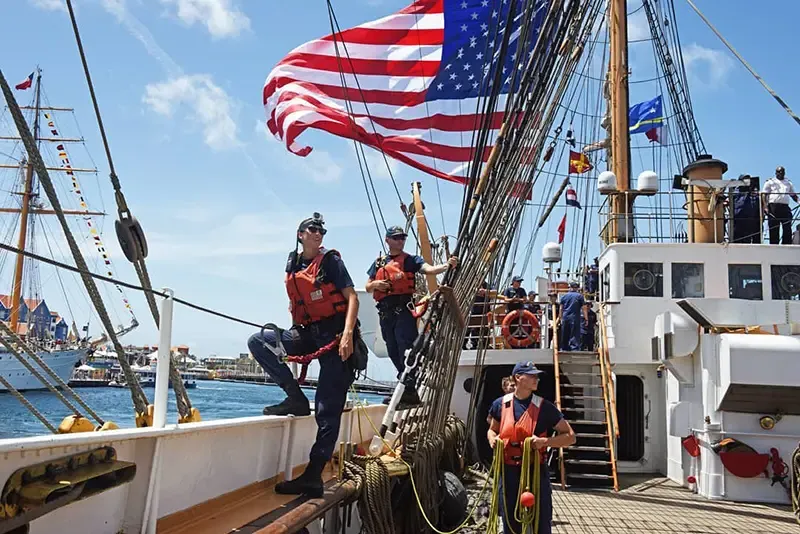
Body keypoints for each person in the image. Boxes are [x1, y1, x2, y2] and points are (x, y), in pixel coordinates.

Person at [247, 213, 360, 497]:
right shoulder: (294, 264)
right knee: (259, 341)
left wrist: (347, 335)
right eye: (313, 229)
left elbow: (352, 298)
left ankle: (312, 476)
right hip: (307, 333)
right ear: (301, 234)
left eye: (322, 229)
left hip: (336, 338)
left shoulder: (331, 261)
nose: (319, 233)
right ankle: (295, 398)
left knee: (326, 410)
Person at [365, 225, 457, 406]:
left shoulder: (410, 260)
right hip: (385, 313)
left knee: (405, 347)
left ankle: (407, 389)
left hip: (403, 311)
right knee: (392, 349)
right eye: (396, 238)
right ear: (388, 240)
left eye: (402, 238)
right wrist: (376, 284)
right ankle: (408, 390)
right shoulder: (378, 263)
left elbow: (428, 269)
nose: (400, 241)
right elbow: (368, 286)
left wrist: (446, 266)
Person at [487, 362, 576, 534]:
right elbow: (492, 430)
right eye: (531, 375)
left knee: (541, 521)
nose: (536, 379)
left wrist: (546, 442)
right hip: (508, 473)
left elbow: (570, 437)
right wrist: (493, 439)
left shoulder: (545, 408)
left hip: (535, 471)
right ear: (518, 378)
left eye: (537, 375)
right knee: (510, 521)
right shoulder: (500, 405)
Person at [762, 166, 798, 244]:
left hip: (784, 207)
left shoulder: (788, 183)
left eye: (782, 172)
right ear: (776, 173)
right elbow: (764, 194)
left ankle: (786, 244)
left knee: (787, 226)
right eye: (779, 172)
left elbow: (793, 195)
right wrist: (765, 207)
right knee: (774, 227)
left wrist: (798, 201)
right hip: (773, 207)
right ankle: (774, 245)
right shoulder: (770, 182)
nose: (781, 173)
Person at [559, 281, 587, 351]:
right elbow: (584, 308)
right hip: (574, 317)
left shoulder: (564, 296)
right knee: (575, 333)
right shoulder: (579, 296)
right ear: (577, 288)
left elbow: (561, 308)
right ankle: (574, 348)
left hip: (565, 317)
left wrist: (560, 318)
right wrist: (586, 319)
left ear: (570, 287)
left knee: (565, 333)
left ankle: (564, 348)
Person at [732, 178, 762, 244]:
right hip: (738, 218)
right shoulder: (735, 191)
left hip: (749, 219)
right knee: (737, 239)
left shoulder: (753, 192)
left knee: (747, 239)